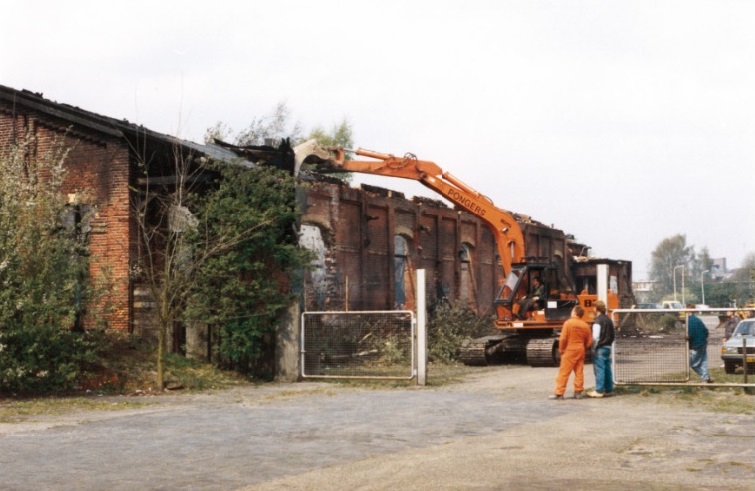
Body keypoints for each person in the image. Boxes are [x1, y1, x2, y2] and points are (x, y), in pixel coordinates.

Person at [549, 305, 593, 399]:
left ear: (574, 312)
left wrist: (561, 350)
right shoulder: (585, 325)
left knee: (564, 372)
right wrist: (583, 346)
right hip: (580, 350)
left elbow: (563, 338)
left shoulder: (568, 323)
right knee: (579, 372)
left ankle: (559, 393)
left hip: (569, 350)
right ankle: (578, 392)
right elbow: (589, 342)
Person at [587, 300, 615, 398]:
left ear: (596, 309)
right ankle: (609, 389)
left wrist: (593, 347)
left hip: (600, 347)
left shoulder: (597, 321)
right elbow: (612, 334)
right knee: (607, 369)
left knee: (600, 369)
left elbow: (595, 336)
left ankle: (599, 390)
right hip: (608, 347)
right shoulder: (609, 320)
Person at [686, 304, 713, 383]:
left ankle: (705, 377)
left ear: (689, 310)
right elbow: (706, 331)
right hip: (703, 343)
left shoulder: (690, 321)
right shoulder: (698, 320)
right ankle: (706, 378)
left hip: (696, 345)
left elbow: (689, 335)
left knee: (692, 363)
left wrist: (687, 339)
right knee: (703, 361)